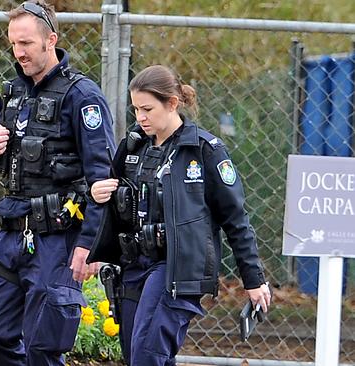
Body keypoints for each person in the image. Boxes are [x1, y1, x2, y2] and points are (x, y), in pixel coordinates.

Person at [87, 65, 272, 366]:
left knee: (147, 355)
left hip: (175, 267)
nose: (140, 117)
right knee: (138, 354)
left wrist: (254, 280)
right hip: (134, 265)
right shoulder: (133, 147)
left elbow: (236, 219)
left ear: (172, 103)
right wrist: (96, 195)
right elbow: (112, 198)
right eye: (135, 109)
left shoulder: (204, 151)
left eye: (148, 109)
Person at [0, 1, 116, 365]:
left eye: (27, 44)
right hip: (11, 233)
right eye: (14, 44)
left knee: (43, 346)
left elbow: (104, 178)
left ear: (51, 40)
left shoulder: (82, 96)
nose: (19, 52)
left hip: (59, 238)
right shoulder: (11, 94)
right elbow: (6, 160)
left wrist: (91, 244)